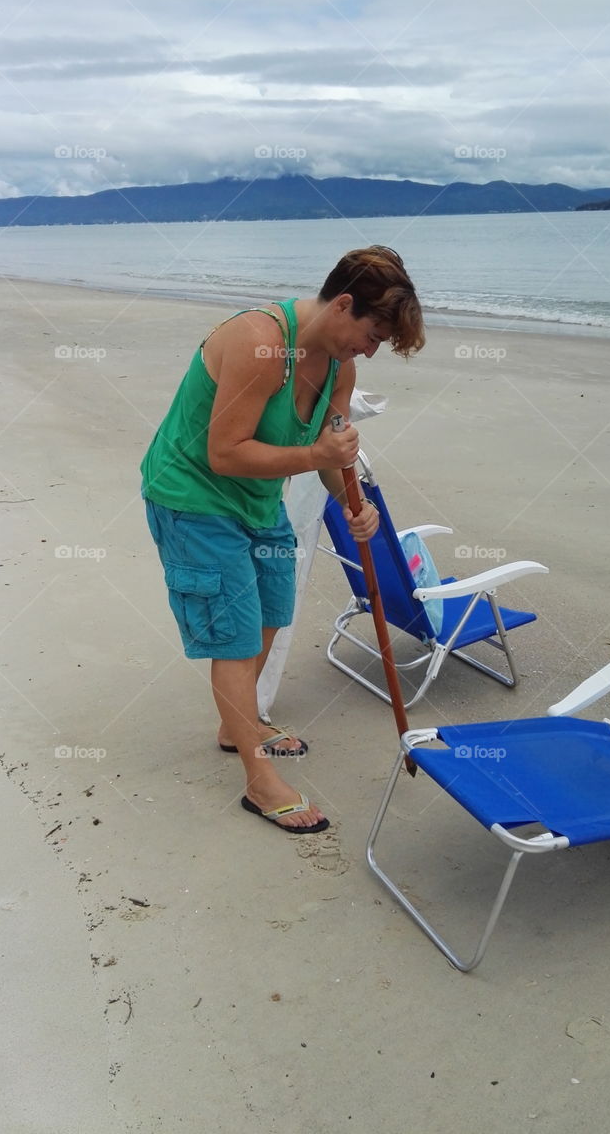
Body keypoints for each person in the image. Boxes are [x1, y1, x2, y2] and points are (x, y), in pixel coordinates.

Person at [140, 246, 425, 833]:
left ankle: (233, 725)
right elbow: (224, 452)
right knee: (236, 639)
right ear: (344, 304)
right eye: (372, 334)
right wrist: (316, 453)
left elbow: (333, 454)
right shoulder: (259, 342)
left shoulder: (342, 369)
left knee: (272, 611)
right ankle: (259, 780)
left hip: (256, 497)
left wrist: (355, 503)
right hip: (192, 498)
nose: (370, 351)